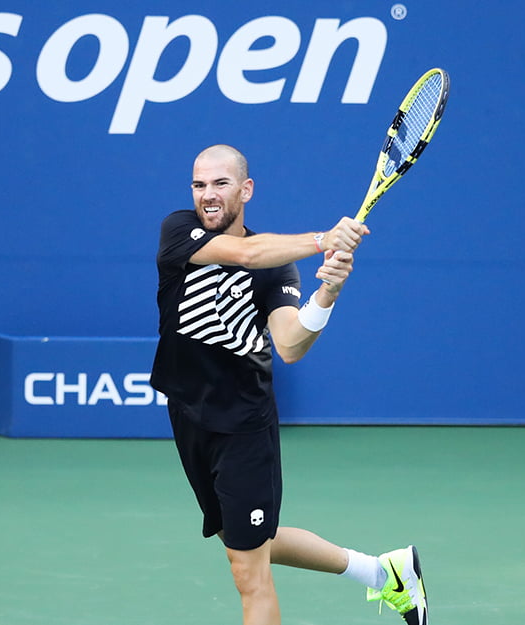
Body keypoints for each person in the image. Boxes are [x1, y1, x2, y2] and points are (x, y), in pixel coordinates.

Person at [150, 144, 428, 625]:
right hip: (189, 415)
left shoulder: (277, 267)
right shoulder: (180, 231)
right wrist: (324, 238)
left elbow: (291, 345)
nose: (208, 195)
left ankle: (386, 575)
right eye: (199, 185)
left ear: (246, 189)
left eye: (220, 184)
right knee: (247, 541)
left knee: (248, 572)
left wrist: (327, 293)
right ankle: (385, 573)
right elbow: (244, 252)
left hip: (242, 426)